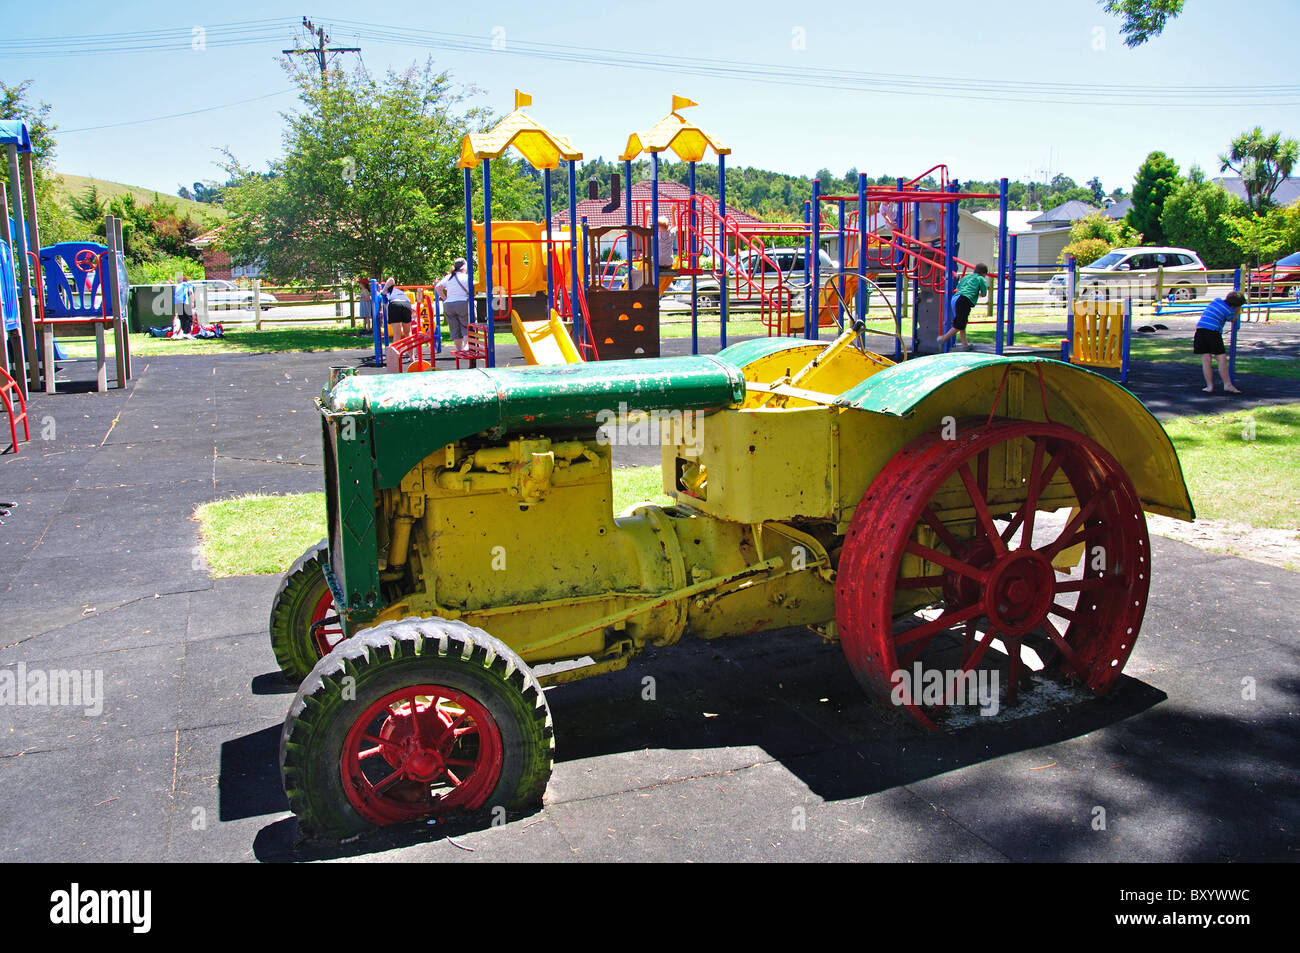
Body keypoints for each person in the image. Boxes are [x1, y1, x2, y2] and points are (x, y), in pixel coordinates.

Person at [1194, 292, 1245, 394]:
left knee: (1206, 359)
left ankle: (1209, 386)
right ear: (1235, 305)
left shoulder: (1216, 300)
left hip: (1200, 330)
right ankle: (1227, 384)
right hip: (1212, 331)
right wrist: (1238, 310)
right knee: (1221, 358)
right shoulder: (1229, 310)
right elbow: (1233, 319)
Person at [937, 263, 989, 351]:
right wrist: (978, 294)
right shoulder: (981, 279)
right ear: (984, 274)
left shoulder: (966, 277)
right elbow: (984, 294)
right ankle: (943, 339)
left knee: (961, 321)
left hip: (955, 298)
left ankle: (965, 344)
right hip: (964, 300)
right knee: (959, 324)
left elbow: (959, 287)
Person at [435, 258, 472, 352]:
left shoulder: (449, 277)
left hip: (449, 305)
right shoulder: (466, 277)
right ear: (464, 267)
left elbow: (438, 287)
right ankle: (466, 345)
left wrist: (445, 298)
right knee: (465, 325)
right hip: (462, 302)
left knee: (454, 329)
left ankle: (459, 350)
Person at [383, 278, 412, 342]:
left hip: (395, 304)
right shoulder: (400, 292)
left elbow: (391, 280)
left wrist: (383, 290)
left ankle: (396, 352)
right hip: (406, 304)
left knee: (397, 334)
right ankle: (411, 352)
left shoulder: (385, 293)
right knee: (408, 333)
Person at [655, 217, 678, 295]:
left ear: (657, 227)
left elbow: (646, 227)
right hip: (668, 263)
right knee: (675, 260)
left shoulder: (657, 234)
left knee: (647, 263)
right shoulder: (671, 233)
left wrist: (646, 214)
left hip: (658, 263)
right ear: (668, 226)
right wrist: (673, 211)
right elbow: (675, 225)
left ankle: (656, 292)